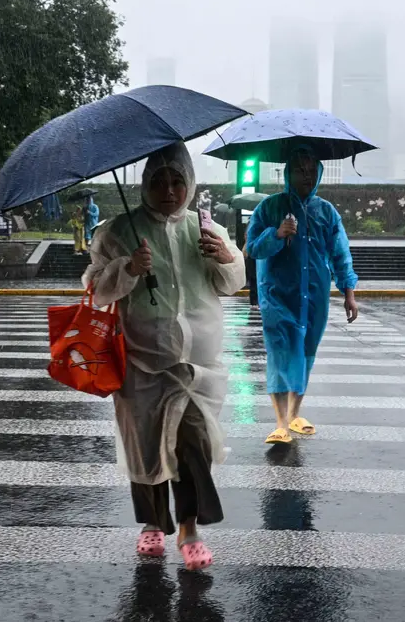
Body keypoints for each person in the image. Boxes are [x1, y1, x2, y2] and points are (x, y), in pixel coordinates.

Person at [83, 142, 245, 571]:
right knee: (146, 445)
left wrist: (225, 257)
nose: (168, 190)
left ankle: (189, 526)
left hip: (198, 366)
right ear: (144, 184)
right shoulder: (117, 231)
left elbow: (232, 283)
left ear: (190, 184)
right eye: (158, 181)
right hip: (141, 361)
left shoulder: (207, 227)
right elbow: (96, 290)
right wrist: (129, 268)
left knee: (194, 444)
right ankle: (153, 523)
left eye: (177, 181)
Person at [246, 149, 359, 446]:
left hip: (315, 296)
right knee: (282, 351)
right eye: (299, 170)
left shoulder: (326, 212)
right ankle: (280, 422)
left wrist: (348, 293)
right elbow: (253, 248)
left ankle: (295, 413)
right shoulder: (270, 208)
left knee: (306, 353)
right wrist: (277, 233)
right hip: (276, 294)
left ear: (319, 174)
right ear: (288, 174)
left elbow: (340, 254)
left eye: (311, 170)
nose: (306, 176)